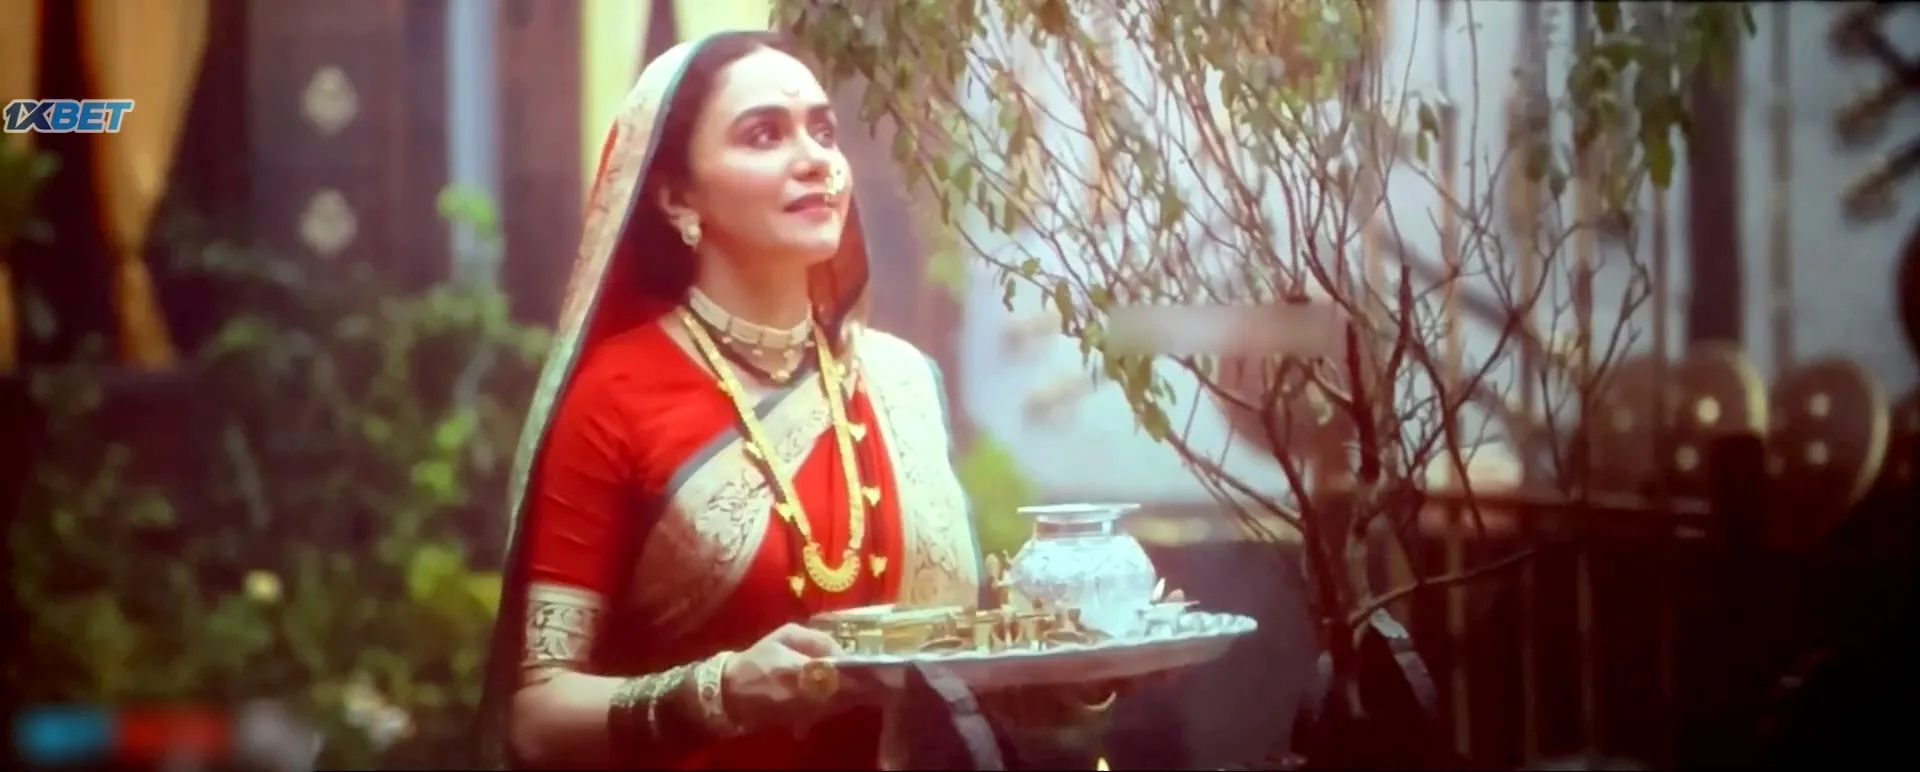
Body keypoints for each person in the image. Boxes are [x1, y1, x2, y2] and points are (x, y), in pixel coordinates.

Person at [473, 31, 1108, 770]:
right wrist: (721, 692)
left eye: (823, 131)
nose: (816, 160)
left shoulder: (898, 380)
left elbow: (948, 677)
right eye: (764, 134)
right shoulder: (616, 397)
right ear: (677, 197)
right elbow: (537, 718)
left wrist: (1084, 677)